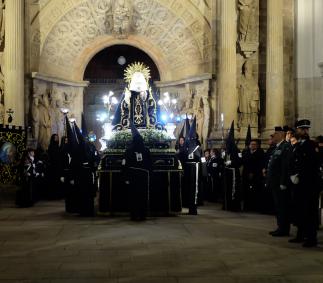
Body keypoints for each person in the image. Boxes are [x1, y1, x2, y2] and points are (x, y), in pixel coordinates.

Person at [288, 120, 320, 247]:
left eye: (306, 129)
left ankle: (311, 238)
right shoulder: (298, 145)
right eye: (302, 129)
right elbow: (294, 162)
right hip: (299, 184)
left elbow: (313, 165)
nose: (305, 131)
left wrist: (299, 175)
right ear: (297, 130)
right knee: (300, 210)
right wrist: (293, 175)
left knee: (310, 212)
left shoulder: (311, 145)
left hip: (309, 184)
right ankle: (300, 235)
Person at [122, 123, 152, 220]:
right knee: (142, 195)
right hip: (143, 176)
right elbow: (150, 164)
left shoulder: (129, 150)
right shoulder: (146, 150)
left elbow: (125, 164)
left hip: (133, 176)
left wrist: (126, 177)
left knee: (133, 195)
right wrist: (150, 173)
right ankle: (143, 214)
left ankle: (134, 215)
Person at [267, 127, 291, 237]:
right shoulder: (277, 147)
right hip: (274, 182)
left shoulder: (285, 147)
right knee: (278, 206)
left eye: (276, 134)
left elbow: (284, 167)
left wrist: (283, 182)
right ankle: (280, 226)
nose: (274, 135)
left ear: (281, 134)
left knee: (282, 206)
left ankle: (284, 229)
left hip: (280, 183)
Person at [242, 139, 265, 211]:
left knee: (255, 191)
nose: (252, 146)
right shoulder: (246, 152)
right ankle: (247, 206)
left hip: (256, 175)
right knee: (246, 191)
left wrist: (252, 172)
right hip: (246, 173)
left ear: (257, 146)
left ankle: (255, 207)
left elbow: (259, 164)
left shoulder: (260, 153)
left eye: (254, 144)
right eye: (251, 144)